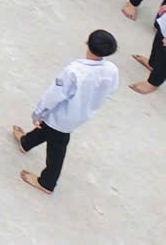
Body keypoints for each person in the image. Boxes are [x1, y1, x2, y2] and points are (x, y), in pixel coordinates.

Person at [17, 31, 119, 194]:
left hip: (62, 116)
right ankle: (25, 143)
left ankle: (47, 182)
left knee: (57, 145)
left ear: (88, 45)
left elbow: (54, 95)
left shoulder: (75, 71)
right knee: (46, 130)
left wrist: (38, 113)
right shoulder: (112, 70)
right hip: (83, 113)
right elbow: (110, 91)